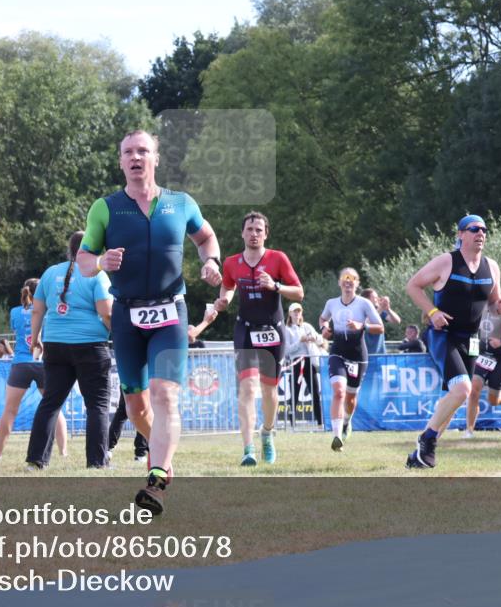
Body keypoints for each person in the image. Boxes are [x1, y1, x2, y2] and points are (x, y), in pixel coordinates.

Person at [77, 129, 222, 514]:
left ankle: (156, 480)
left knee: (165, 393)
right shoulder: (105, 208)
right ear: (121, 161)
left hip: (170, 311)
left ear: (156, 158)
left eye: (143, 150)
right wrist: (100, 263)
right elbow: (84, 259)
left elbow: (207, 238)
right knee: (137, 407)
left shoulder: (181, 203)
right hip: (126, 314)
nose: (136, 157)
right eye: (128, 152)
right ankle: (164, 451)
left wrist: (210, 261)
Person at [404, 214, 501, 469]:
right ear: (461, 234)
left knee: (452, 401)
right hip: (444, 335)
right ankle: (427, 439)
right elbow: (413, 286)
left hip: (471, 339)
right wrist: (432, 312)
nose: (481, 233)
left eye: (484, 229)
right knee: (463, 390)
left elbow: (494, 301)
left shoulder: (492, 267)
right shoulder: (447, 261)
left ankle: (418, 456)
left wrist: (500, 306)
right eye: (474, 229)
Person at [214, 212, 304, 466]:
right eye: (250, 229)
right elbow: (228, 287)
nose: (254, 234)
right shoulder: (231, 262)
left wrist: (276, 286)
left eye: (259, 230)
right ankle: (248, 449)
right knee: (247, 387)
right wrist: (223, 301)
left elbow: (299, 293)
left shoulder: (278, 259)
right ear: (242, 233)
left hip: (273, 331)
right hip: (245, 329)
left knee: (269, 390)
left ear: (266, 234)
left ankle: (266, 432)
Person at [26, 232, 113, 469]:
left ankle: (35, 460)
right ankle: (97, 462)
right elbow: (106, 312)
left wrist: (36, 339)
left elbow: (37, 311)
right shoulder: (97, 274)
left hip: (55, 345)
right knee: (97, 405)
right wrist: (116, 332)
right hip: (90, 346)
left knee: (50, 402)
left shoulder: (50, 272)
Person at [0, 278, 67, 460]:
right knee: (55, 408)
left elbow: (17, 329)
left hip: (21, 364)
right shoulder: (48, 313)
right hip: (43, 363)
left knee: (9, 410)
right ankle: (63, 452)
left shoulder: (15, 312)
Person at [319, 267, 383, 451]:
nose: (348, 281)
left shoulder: (364, 304)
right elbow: (323, 318)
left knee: (350, 398)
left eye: (352, 279)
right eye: (344, 279)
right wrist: (324, 328)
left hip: (357, 355)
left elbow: (380, 327)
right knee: (338, 391)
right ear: (339, 282)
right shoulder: (331, 303)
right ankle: (336, 436)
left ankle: (346, 423)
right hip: (337, 351)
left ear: (357, 283)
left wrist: (361, 325)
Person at [459, 302, 501, 438]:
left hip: (500, 357)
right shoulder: (478, 308)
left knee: (493, 400)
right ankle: (469, 431)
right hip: (483, 355)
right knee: (474, 391)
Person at [283, 302, 325, 427]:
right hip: (297, 362)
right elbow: (287, 350)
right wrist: (299, 342)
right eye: (294, 311)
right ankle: (292, 422)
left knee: (315, 392)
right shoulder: (287, 329)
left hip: (310, 361)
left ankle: (320, 422)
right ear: (290, 313)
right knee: (294, 392)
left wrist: (314, 338)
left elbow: (321, 339)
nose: (297, 314)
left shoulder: (307, 326)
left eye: (299, 311)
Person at [360, 288, 400, 354]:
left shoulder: (379, 311)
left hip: (381, 353)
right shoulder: (361, 311)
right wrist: (381, 308)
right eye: (375, 298)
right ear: (367, 300)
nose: (378, 299)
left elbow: (397, 321)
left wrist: (388, 309)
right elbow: (366, 323)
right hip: (366, 354)